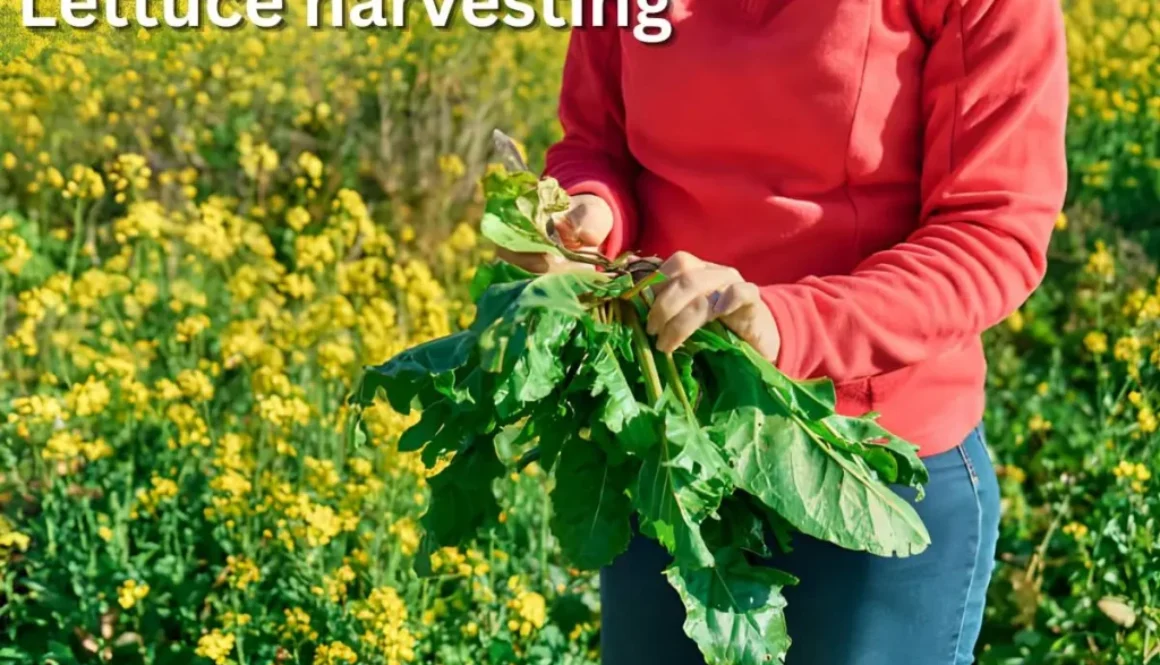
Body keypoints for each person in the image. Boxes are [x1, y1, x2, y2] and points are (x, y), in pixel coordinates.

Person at [497, 1, 1069, 663]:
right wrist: (586, 215)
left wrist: (782, 321)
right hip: (670, 439)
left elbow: (989, 234)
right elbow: (596, 143)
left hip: (863, 458)